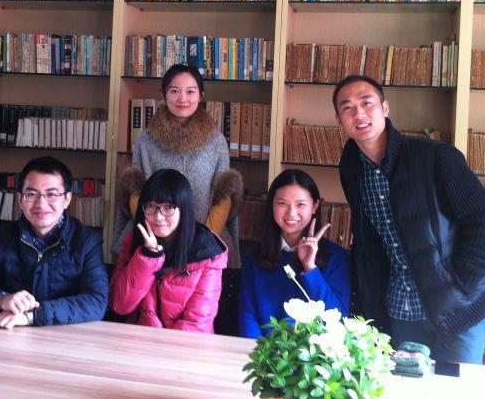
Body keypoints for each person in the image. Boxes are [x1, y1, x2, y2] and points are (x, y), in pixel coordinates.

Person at [333, 74, 485, 363]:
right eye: (347, 107)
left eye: (367, 103)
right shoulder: (352, 169)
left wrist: (460, 287)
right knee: (407, 386)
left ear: (385, 108)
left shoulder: (435, 157)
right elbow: (369, 241)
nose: (358, 114)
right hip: (402, 311)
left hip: (458, 312)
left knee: (454, 387)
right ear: (339, 120)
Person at [0, 156, 107, 329]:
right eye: (31, 194)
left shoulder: (86, 242)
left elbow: (96, 301)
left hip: (66, 337)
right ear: (19, 199)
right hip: (8, 335)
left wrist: (34, 316)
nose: (41, 203)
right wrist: (1, 300)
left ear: (67, 199)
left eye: (52, 194)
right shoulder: (0, 238)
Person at [113, 63, 243, 267]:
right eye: (174, 91)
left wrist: (203, 240)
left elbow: (223, 196)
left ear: (201, 95)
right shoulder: (146, 140)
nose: (182, 98)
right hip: (154, 239)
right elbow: (136, 191)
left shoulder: (216, 141)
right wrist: (155, 234)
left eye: (190, 91)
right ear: (163, 94)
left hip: (205, 244)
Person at [110, 169, 228, 333]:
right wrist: (148, 257)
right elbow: (119, 305)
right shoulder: (135, 240)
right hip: (141, 340)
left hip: (188, 345)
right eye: (151, 206)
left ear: (184, 209)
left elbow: (196, 325)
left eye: (168, 207)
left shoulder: (208, 252)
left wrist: (158, 344)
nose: (158, 217)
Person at [239, 169, 350, 338]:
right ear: (272, 205)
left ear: (315, 206)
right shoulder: (254, 256)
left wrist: (310, 268)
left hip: (311, 352)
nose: (291, 213)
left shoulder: (337, 258)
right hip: (261, 350)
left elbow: (338, 319)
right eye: (282, 203)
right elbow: (248, 315)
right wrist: (259, 351)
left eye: (300, 205)